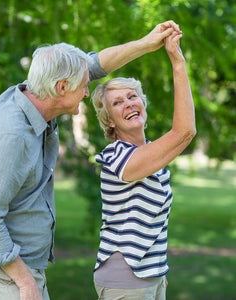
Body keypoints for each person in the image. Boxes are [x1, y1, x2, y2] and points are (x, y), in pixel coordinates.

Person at [0, 21, 182, 300]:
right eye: (82, 85)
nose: (86, 90)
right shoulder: (13, 136)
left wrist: (145, 43)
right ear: (62, 87)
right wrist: (25, 282)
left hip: (23, 265)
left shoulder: (35, 95)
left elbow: (94, 65)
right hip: (2, 269)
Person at [91, 30, 196, 299]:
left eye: (132, 96)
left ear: (143, 104)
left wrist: (158, 273)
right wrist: (177, 62)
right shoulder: (115, 156)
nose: (128, 104)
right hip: (125, 280)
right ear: (110, 120)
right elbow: (184, 131)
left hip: (151, 276)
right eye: (117, 102)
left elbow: (152, 224)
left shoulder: (150, 154)